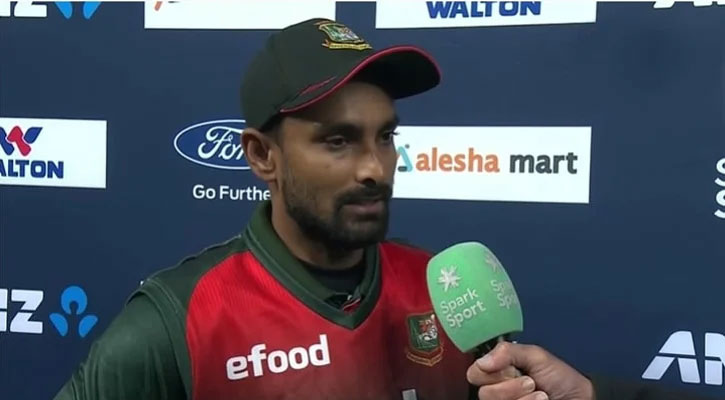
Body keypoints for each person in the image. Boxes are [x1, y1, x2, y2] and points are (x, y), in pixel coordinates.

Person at [53, 17, 712, 400]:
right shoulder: (174, 322)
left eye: (386, 136)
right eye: (337, 141)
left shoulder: (441, 289)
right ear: (262, 155)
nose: (376, 167)